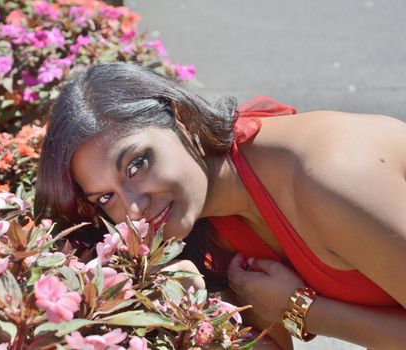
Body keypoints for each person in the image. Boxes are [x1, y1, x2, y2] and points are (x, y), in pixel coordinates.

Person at [34, 62, 406, 349]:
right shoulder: (210, 218)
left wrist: (304, 311)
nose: (133, 208)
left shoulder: (331, 178)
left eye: (136, 164)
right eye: (105, 197)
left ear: (181, 119)